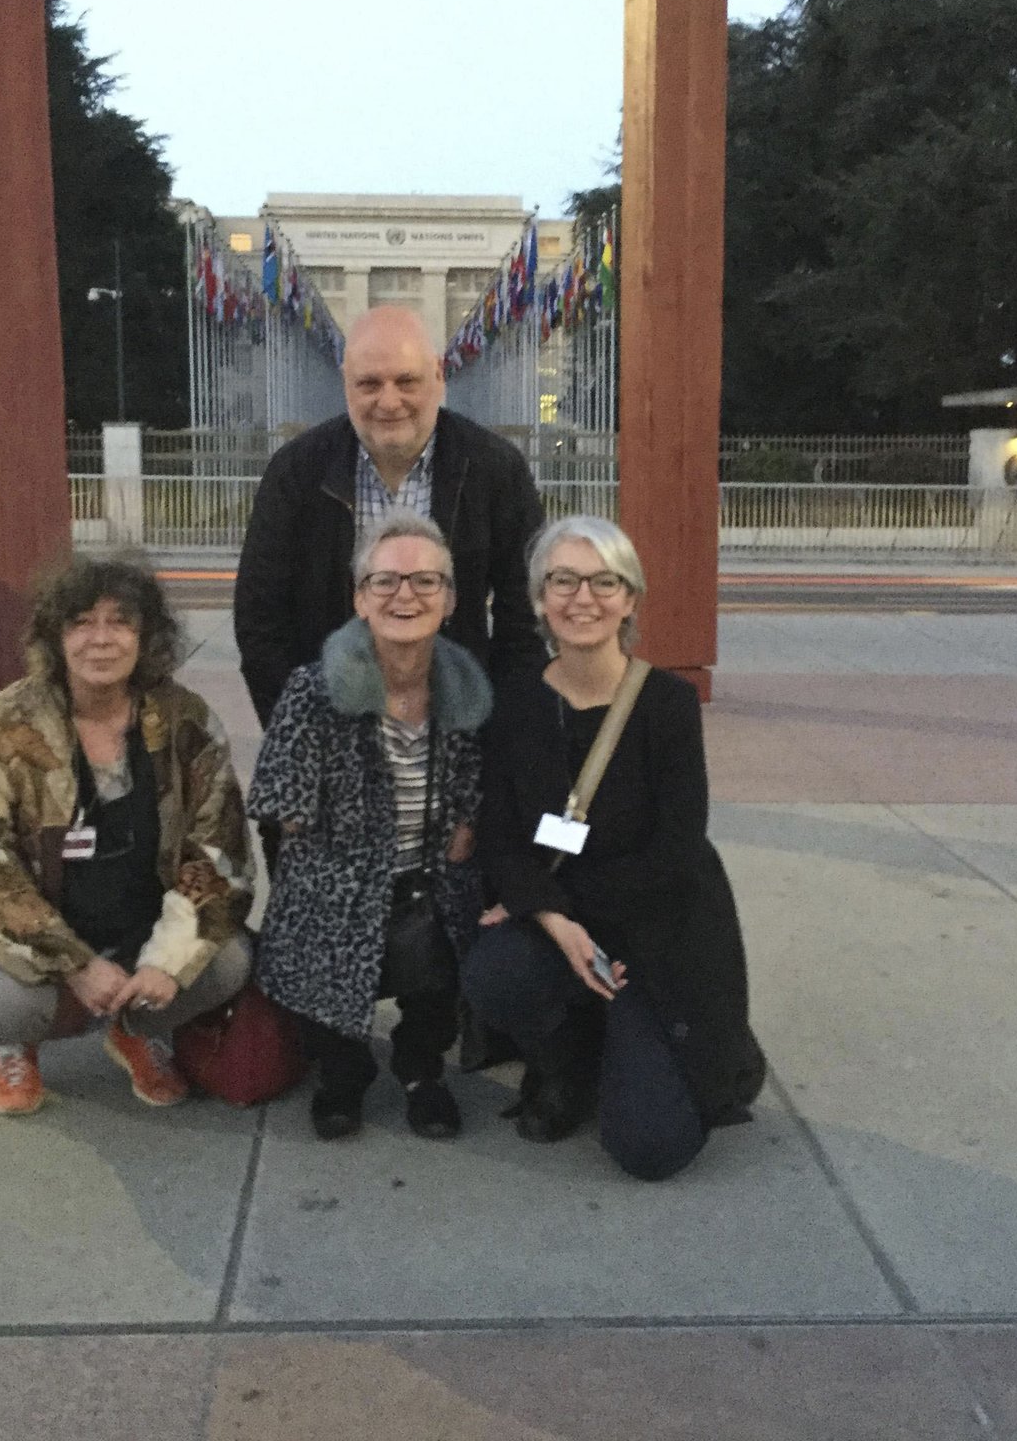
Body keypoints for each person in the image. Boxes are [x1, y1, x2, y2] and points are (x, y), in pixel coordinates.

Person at [464, 516, 766, 1181]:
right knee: (495, 970)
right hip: (562, 924)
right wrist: (551, 922)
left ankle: (692, 1041)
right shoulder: (514, 703)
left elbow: (676, 851)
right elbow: (503, 837)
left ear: (630, 599)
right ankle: (563, 1063)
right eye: (563, 580)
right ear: (540, 599)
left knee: (650, 1150)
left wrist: (558, 908)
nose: (583, 598)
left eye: (605, 581)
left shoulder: (667, 704)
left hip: (656, 930)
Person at [0, 554, 255, 1116]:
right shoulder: (3, 724)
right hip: (33, 927)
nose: (101, 640)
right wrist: (76, 962)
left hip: (144, 915)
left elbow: (220, 851)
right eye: (82, 622)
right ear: (55, 638)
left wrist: (167, 959)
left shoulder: (187, 720)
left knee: (229, 962)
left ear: (146, 637)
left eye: (121, 622)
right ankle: (13, 1047)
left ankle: (136, 1031)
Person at [248, 512, 493, 1141]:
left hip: (429, 872)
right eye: (385, 581)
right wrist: (333, 843)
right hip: (339, 872)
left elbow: (478, 790)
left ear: (450, 599)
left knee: (450, 923)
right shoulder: (316, 687)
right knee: (324, 922)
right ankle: (343, 1071)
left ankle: (420, 1067)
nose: (405, 595)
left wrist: (466, 823)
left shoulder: (466, 688)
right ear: (360, 598)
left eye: (425, 581)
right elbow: (280, 796)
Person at [233, 305, 545, 731]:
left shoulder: (495, 470)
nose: (389, 401)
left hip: (459, 736)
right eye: (369, 384)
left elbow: (527, 620)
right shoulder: (296, 473)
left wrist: (496, 736)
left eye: (406, 381)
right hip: (329, 734)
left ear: (438, 376)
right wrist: (299, 734)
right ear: (346, 385)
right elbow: (260, 622)